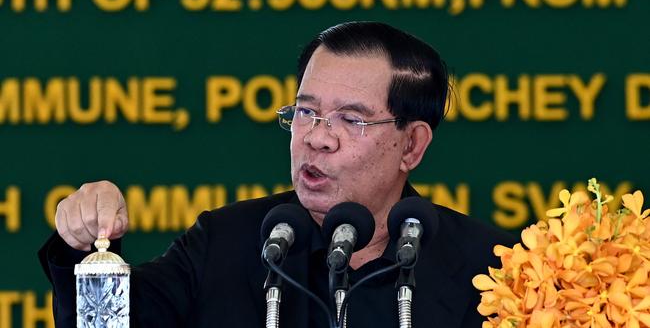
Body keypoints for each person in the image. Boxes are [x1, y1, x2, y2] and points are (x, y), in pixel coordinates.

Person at [39, 22, 516, 327]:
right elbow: (109, 324)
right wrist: (87, 247)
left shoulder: (492, 271)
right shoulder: (223, 243)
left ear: (411, 145)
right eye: (306, 113)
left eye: (351, 120)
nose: (316, 137)